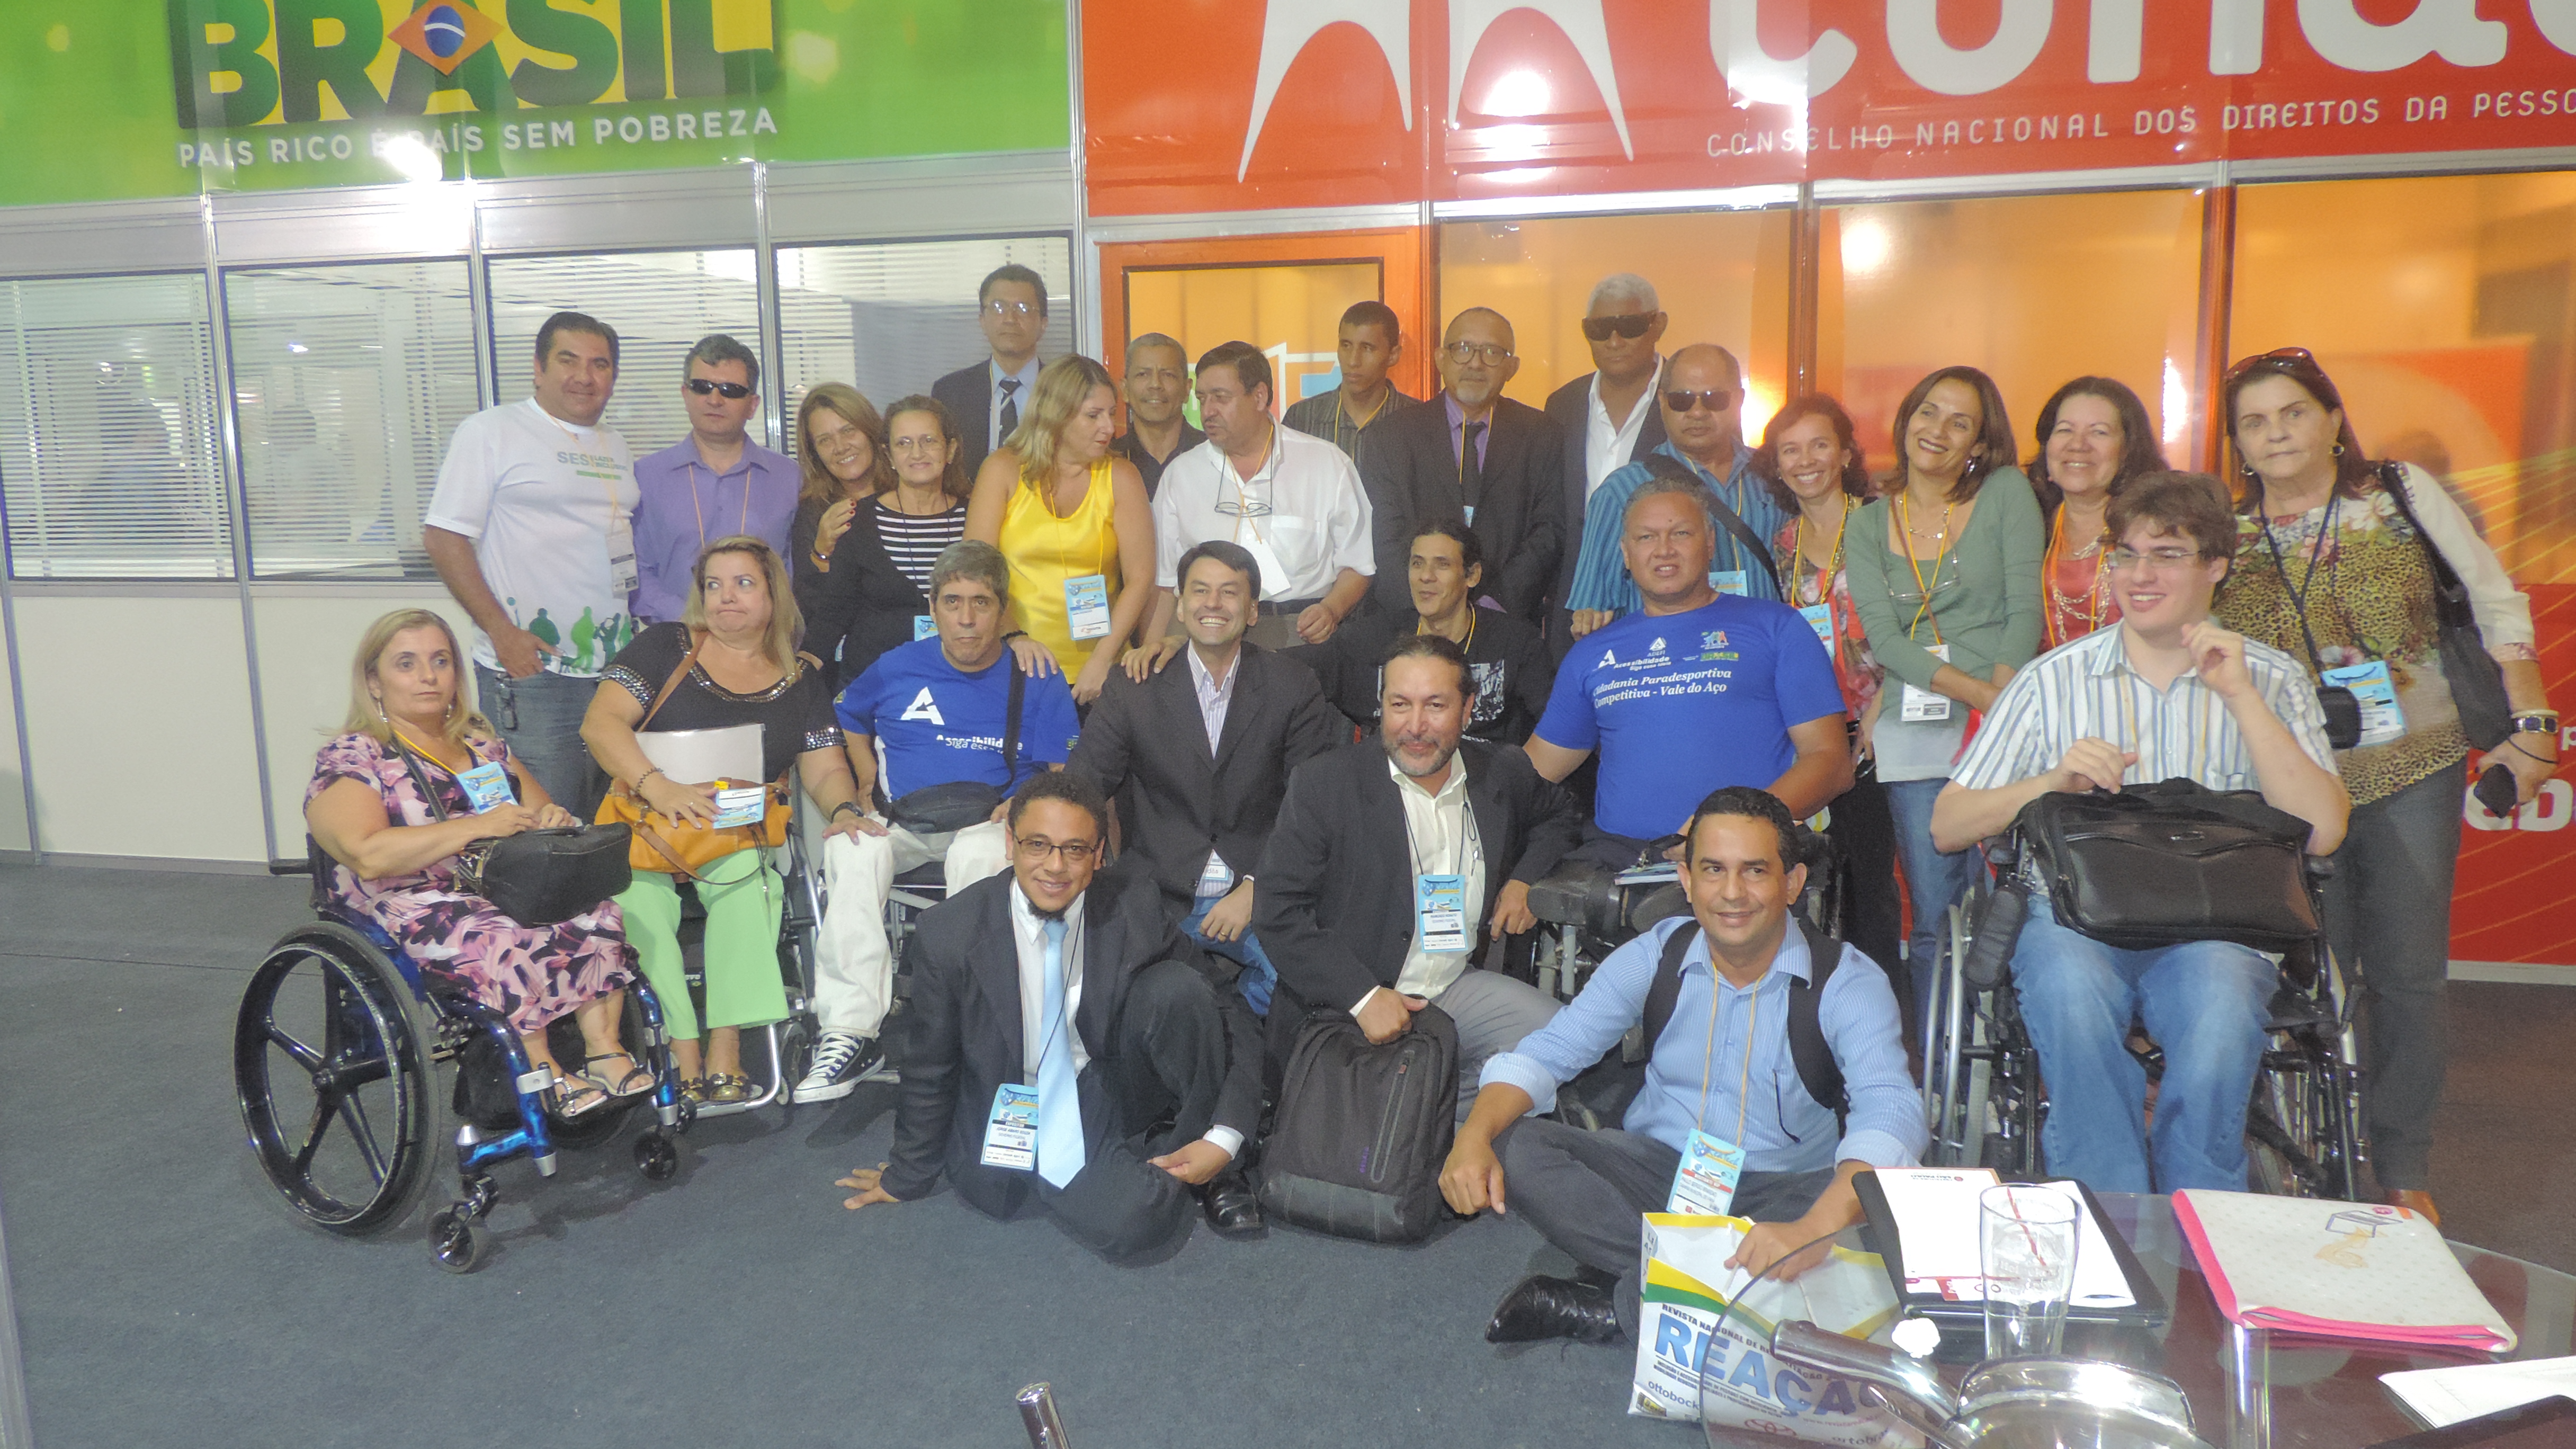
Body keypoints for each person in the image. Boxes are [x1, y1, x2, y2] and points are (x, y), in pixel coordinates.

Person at [1932, 471, 2352, 1194]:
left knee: (2221, 1007)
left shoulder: (2272, 679)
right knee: (2067, 990)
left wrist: (2241, 698)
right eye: (2125, 555)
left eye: (2166, 554)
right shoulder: (2051, 681)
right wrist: (2048, 782)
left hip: (2217, 924)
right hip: (2078, 920)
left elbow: (2322, 833)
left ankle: (2201, 1205)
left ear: (2216, 565)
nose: (2139, 575)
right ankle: (2112, 1206)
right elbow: (1947, 825)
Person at [2213, 347, 2554, 1224]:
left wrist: (2528, 722)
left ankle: (2400, 1164)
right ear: (2236, 447)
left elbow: (2491, 600)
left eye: (2290, 412)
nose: (2273, 433)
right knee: (2302, 974)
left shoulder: (2394, 496)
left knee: (2403, 976)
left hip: (2412, 764)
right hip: (2286, 785)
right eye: (2252, 422)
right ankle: (2304, 1146)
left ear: (2330, 418)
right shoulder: (2223, 529)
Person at [1443, 788, 1922, 1346]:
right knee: (1510, 1143)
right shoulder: (1655, 955)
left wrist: (1811, 1229)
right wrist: (1472, 1136)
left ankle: (1613, 1304)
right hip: (1663, 1172)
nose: (1732, 894)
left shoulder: (1848, 981)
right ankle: (1726, 1287)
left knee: (1866, 1208)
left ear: (1791, 883)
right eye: (1713, 870)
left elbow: (1889, 1114)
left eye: (1755, 872)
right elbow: (1548, 1052)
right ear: (1688, 882)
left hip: (1785, 1189)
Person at [836, 772, 1267, 1260]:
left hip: (1107, 1075)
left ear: (1100, 854)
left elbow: (1224, 1009)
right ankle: (1157, 1159)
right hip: (1019, 1102)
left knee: (1178, 990)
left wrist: (1226, 1136)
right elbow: (929, 1066)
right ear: (1010, 843)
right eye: (1038, 845)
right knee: (1134, 1226)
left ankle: (1201, 1152)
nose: (1055, 867)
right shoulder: (948, 934)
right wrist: (908, 1173)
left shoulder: (1134, 903)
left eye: (1075, 849)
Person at [306, 609, 641, 1120]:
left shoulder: (482, 747)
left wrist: (550, 819)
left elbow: (538, 814)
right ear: (374, 681)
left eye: (441, 661)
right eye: (407, 664)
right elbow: (366, 855)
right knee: (501, 935)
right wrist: (474, 827)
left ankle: (605, 1052)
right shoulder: (357, 755)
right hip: (405, 897)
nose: (428, 676)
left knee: (597, 914)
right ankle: (543, 1073)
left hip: (498, 884)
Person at [581, 537, 867, 1105]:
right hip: (646, 825)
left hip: (738, 833)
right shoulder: (666, 646)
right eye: (714, 585)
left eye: (743, 584)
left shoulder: (799, 681)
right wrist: (657, 785)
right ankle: (684, 1044)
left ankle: (727, 1044)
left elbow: (826, 767)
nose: (726, 597)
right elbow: (601, 724)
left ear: (772, 595)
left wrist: (845, 810)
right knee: (636, 906)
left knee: (751, 887)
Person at [798, 541, 1080, 1104]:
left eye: (981, 602)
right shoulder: (899, 665)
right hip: (905, 819)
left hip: (991, 821)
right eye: (953, 602)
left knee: (977, 854)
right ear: (934, 607)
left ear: (1003, 610)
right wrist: (860, 782)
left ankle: (971, 1022)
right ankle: (850, 1032)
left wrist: (1024, 803)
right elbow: (847, 716)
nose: (967, 618)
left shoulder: (1037, 674)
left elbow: (1064, 772)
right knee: (852, 847)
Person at [1256, 634, 1584, 1117]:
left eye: (1435, 705)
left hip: (1452, 986)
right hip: (1347, 1002)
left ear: (1469, 709)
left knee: (1563, 1043)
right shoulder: (1325, 784)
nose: (1415, 727)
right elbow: (1277, 912)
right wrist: (1361, 996)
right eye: (1399, 705)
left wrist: (1524, 881)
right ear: (1380, 706)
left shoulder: (1501, 770)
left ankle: (1439, 1133)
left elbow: (1559, 817)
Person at [1843, 365, 2043, 1021]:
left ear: (1979, 445)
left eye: (1960, 422)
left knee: (2006, 903)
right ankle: (1941, 1078)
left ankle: (2007, 1060)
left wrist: (2002, 700)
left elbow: (2024, 609)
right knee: (1932, 914)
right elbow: (1887, 641)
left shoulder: (2007, 492)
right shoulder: (1869, 523)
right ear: (1906, 423)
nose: (1938, 430)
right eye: (1929, 412)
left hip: (2006, 720)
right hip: (1921, 725)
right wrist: (1976, 693)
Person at [1526, 477, 1854, 864]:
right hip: (1624, 870)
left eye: (1681, 533)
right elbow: (1535, 774)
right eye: (1646, 538)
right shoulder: (1592, 654)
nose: (1664, 550)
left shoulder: (1777, 628)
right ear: (1625, 554)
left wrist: (1729, 827)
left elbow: (1831, 764)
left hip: (1746, 860)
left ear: (1711, 543)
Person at [423, 310, 632, 819]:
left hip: (613, 671)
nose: (584, 376)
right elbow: (443, 536)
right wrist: (501, 633)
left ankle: (597, 906)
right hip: (535, 671)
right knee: (545, 821)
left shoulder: (615, 445)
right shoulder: (491, 432)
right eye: (569, 360)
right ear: (539, 368)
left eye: (599, 364)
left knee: (608, 817)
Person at [1759, 395, 1902, 990]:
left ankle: (1886, 1011)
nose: (1806, 460)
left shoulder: (1883, 524)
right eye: (1790, 450)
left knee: (1875, 878)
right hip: (1812, 734)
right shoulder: (1779, 544)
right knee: (1821, 874)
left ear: (1845, 452)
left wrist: (1884, 708)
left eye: (1820, 445)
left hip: (1880, 728)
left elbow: (1922, 626)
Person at [1144, 342, 1374, 652]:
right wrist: (1155, 646)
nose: (1207, 411)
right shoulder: (1181, 475)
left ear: (1260, 397)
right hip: (1209, 637)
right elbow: (1165, 581)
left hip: (1301, 634)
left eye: (1220, 398)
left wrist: (1331, 610)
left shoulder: (1326, 464)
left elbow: (1358, 563)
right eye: (1201, 399)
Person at [967, 354, 1158, 704]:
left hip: (1098, 670)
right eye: (1093, 416)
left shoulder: (1121, 475)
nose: (1108, 427)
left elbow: (1141, 576)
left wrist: (1103, 659)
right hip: (1016, 660)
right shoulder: (1002, 470)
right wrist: (1016, 636)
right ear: (1055, 414)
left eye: (1111, 413)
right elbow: (977, 570)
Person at [1363, 308, 1567, 623]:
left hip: (1506, 621)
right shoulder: (1391, 437)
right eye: (1462, 349)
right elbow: (1385, 536)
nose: (1475, 363)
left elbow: (1548, 530)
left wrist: (1494, 606)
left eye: (1491, 352)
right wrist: (1426, 610)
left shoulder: (1542, 434)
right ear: (1440, 358)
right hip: (1413, 625)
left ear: (1512, 367)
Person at [1565, 344, 1781, 635]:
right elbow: (1592, 618)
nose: (1697, 412)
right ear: (1662, 401)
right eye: (1682, 400)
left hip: (1765, 658)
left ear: (1739, 399)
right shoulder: (1621, 491)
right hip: (1667, 668)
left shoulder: (1774, 477)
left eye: (1713, 399)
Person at [1305, 519, 1555, 746]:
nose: (1426, 576)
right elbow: (1293, 679)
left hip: (1482, 785)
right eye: (1417, 564)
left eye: (1442, 565)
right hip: (1395, 784)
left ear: (1472, 575)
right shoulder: (1367, 639)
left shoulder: (1516, 643)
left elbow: (1559, 726)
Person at [794, 390, 974, 689]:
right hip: (876, 685)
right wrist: (803, 665)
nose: (917, 453)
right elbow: (835, 609)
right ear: (889, 455)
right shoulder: (858, 519)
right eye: (904, 444)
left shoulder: (977, 516)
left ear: (951, 449)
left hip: (961, 682)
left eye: (928, 441)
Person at [629, 334, 798, 625]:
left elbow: (794, 571)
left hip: (764, 646)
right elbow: (637, 571)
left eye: (730, 390)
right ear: (685, 394)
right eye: (702, 387)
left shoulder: (789, 476)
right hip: (675, 643)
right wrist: (692, 619)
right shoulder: (645, 476)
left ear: (753, 405)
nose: (715, 400)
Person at [1543, 274, 1669, 651]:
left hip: (1661, 600)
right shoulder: (1561, 405)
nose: (1614, 341)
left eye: (1628, 327)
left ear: (1657, 325)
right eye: (1599, 329)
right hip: (1574, 607)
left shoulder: (1684, 401)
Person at [2027, 377, 2169, 649]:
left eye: (2099, 432)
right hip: (2040, 683)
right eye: (2065, 430)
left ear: (2127, 450)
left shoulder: (2156, 530)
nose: (2078, 445)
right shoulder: (2028, 522)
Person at [932, 263, 1050, 481]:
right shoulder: (949, 393)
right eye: (998, 307)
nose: (1010, 319)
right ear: (982, 321)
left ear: (1043, 324)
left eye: (1023, 308)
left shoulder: (1066, 392)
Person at [1282, 300, 1415, 472]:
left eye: (1367, 348)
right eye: (1346, 346)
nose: (1353, 361)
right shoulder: (1303, 419)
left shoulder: (1418, 423)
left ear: (1393, 355)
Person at [1110, 333, 1204, 498]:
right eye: (1143, 375)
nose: (1155, 385)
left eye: (1168, 375)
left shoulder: (1214, 456)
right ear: (1125, 389)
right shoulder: (1109, 461)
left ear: (1187, 389)